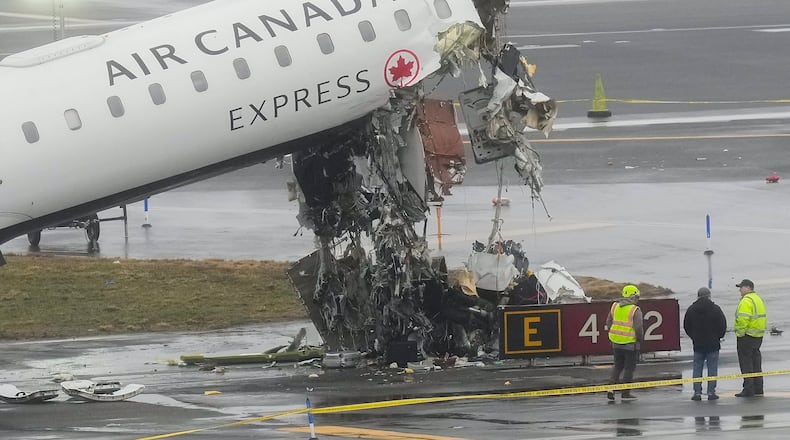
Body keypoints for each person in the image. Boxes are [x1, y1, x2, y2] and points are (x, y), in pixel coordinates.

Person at [683, 287, 727, 400]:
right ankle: (711, 392)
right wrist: (718, 337)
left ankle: (697, 393)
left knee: (697, 368)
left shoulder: (691, 309)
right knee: (712, 369)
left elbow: (686, 326)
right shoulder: (716, 309)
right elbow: (722, 325)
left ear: (698, 296)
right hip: (713, 344)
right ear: (709, 296)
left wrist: (694, 337)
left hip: (698, 344)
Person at [605, 284, 644, 401]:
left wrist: (614, 335)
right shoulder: (634, 310)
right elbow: (638, 328)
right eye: (637, 297)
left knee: (617, 366)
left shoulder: (615, 306)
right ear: (633, 297)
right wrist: (639, 340)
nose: (638, 300)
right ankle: (625, 393)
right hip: (630, 344)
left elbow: (608, 322)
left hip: (615, 342)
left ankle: (611, 389)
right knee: (629, 368)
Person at [734, 279, 767, 397]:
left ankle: (748, 389)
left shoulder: (746, 301)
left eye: (741, 287)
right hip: (758, 336)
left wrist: (740, 333)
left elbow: (743, 320)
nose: (740, 290)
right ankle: (758, 388)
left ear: (748, 288)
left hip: (747, 336)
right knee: (756, 363)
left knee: (746, 363)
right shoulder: (758, 299)